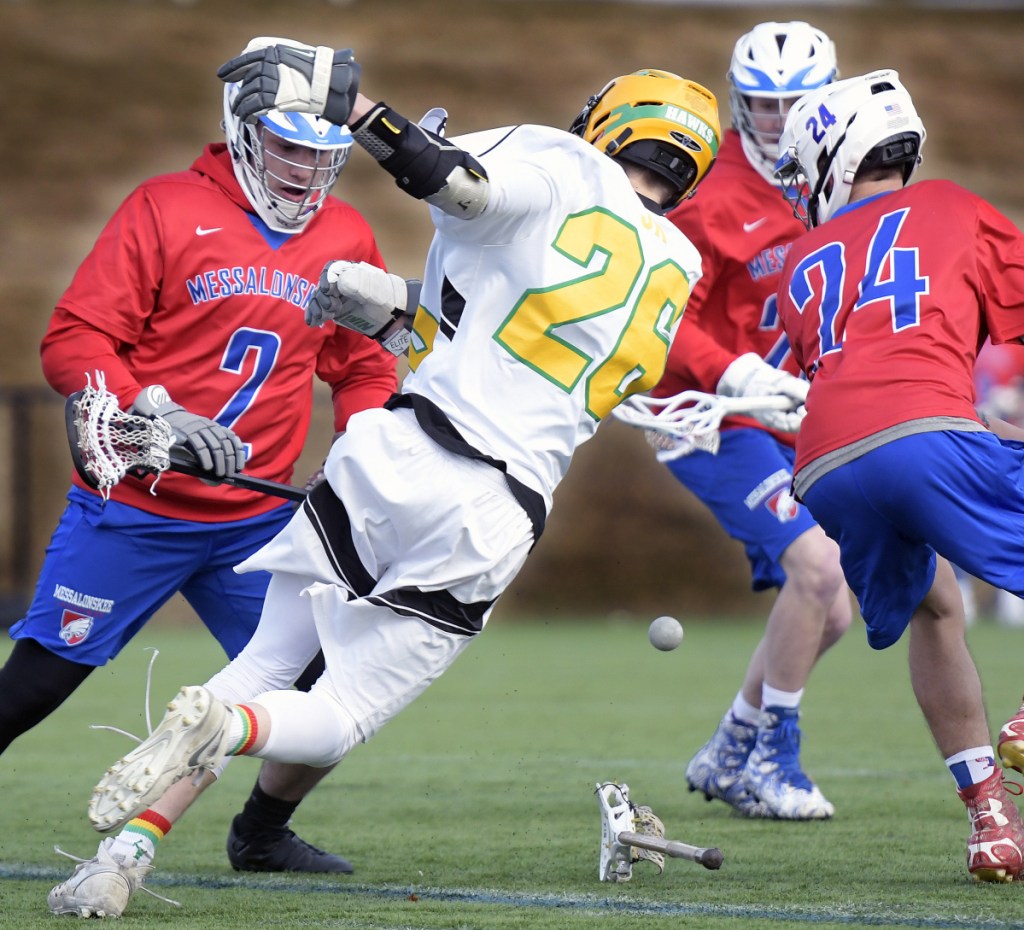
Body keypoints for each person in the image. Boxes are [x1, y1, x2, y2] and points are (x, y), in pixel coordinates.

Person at [74, 40, 723, 915]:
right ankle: (230, 730)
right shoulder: (679, 268)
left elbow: (459, 187)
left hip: (394, 450)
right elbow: (535, 339)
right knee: (335, 715)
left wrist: (358, 111)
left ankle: (119, 860)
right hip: (495, 507)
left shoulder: (563, 161)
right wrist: (402, 306)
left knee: (269, 658)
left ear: (607, 123)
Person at [27, 37, 400, 917]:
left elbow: (362, 366)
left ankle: (261, 833)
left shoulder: (346, 233)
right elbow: (73, 341)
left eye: (323, 151)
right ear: (240, 127)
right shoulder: (164, 209)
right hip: (140, 505)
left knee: (324, 700)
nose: (307, 168)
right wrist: (151, 409)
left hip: (256, 524)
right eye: (289, 144)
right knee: (39, 681)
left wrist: (361, 454)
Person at [772, 69, 1024, 882]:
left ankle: (990, 819)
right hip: (922, 433)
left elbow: (868, 380)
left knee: (935, 607)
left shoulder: (802, 258)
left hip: (827, 464)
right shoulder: (951, 205)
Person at [652, 21, 850, 820]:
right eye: (762, 106)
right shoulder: (711, 193)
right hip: (709, 414)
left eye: (793, 104)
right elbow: (665, 322)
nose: (776, 122)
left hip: (787, 417)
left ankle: (732, 744)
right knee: (820, 569)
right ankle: (774, 758)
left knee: (831, 606)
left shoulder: (837, 181)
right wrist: (741, 374)